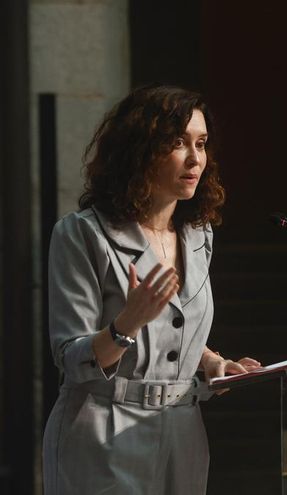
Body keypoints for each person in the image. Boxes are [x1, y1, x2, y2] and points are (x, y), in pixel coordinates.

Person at [42, 85, 260, 494]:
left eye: (201, 143)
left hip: (183, 433)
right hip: (103, 432)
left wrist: (211, 362)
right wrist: (127, 324)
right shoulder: (82, 234)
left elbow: (175, 330)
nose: (195, 158)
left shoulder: (198, 235)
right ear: (139, 150)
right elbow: (71, 360)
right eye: (178, 143)